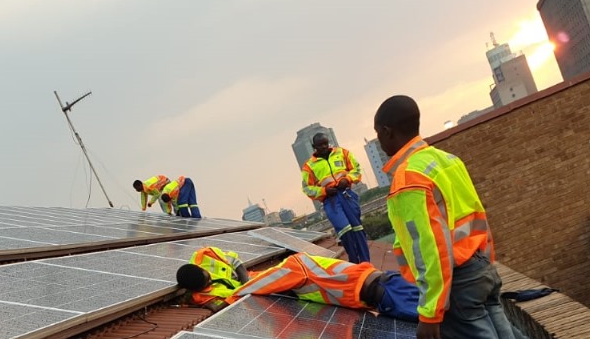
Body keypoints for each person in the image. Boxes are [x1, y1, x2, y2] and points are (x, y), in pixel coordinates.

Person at [373, 94, 587, 339]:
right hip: (481, 271)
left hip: (457, 286)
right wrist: (486, 266)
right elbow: (478, 216)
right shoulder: (446, 161)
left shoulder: (408, 180)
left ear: (387, 132)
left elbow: (430, 251)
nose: (379, 142)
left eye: (378, 135)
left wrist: (430, 312)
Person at [228, 252, 419, 321]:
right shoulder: (299, 289)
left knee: (434, 320)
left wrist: (231, 298)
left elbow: (254, 286)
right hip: (382, 301)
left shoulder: (294, 266)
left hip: (389, 290)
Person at [301, 134, 368, 263]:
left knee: (357, 229)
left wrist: (347, 179)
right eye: (320, 145)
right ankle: (355, 261)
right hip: (330, 200)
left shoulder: (343, 153)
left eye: (326, 143)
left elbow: (357, 169)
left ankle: (366, 262)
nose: (324, 146)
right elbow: (307, 188)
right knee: (344, 230)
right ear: (314, 147)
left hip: (346, 194)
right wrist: (324, 191)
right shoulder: (309, 166)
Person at [175, 245, 248, 310]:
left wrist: (245, 282)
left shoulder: (206, 255)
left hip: (242, 277)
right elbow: (234, 294)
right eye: (206, 283)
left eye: (208, 277)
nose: (210, 281)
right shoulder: (204, 293)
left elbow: (234, 259)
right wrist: (222, 304)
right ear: (197, 289)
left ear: (201, 268)